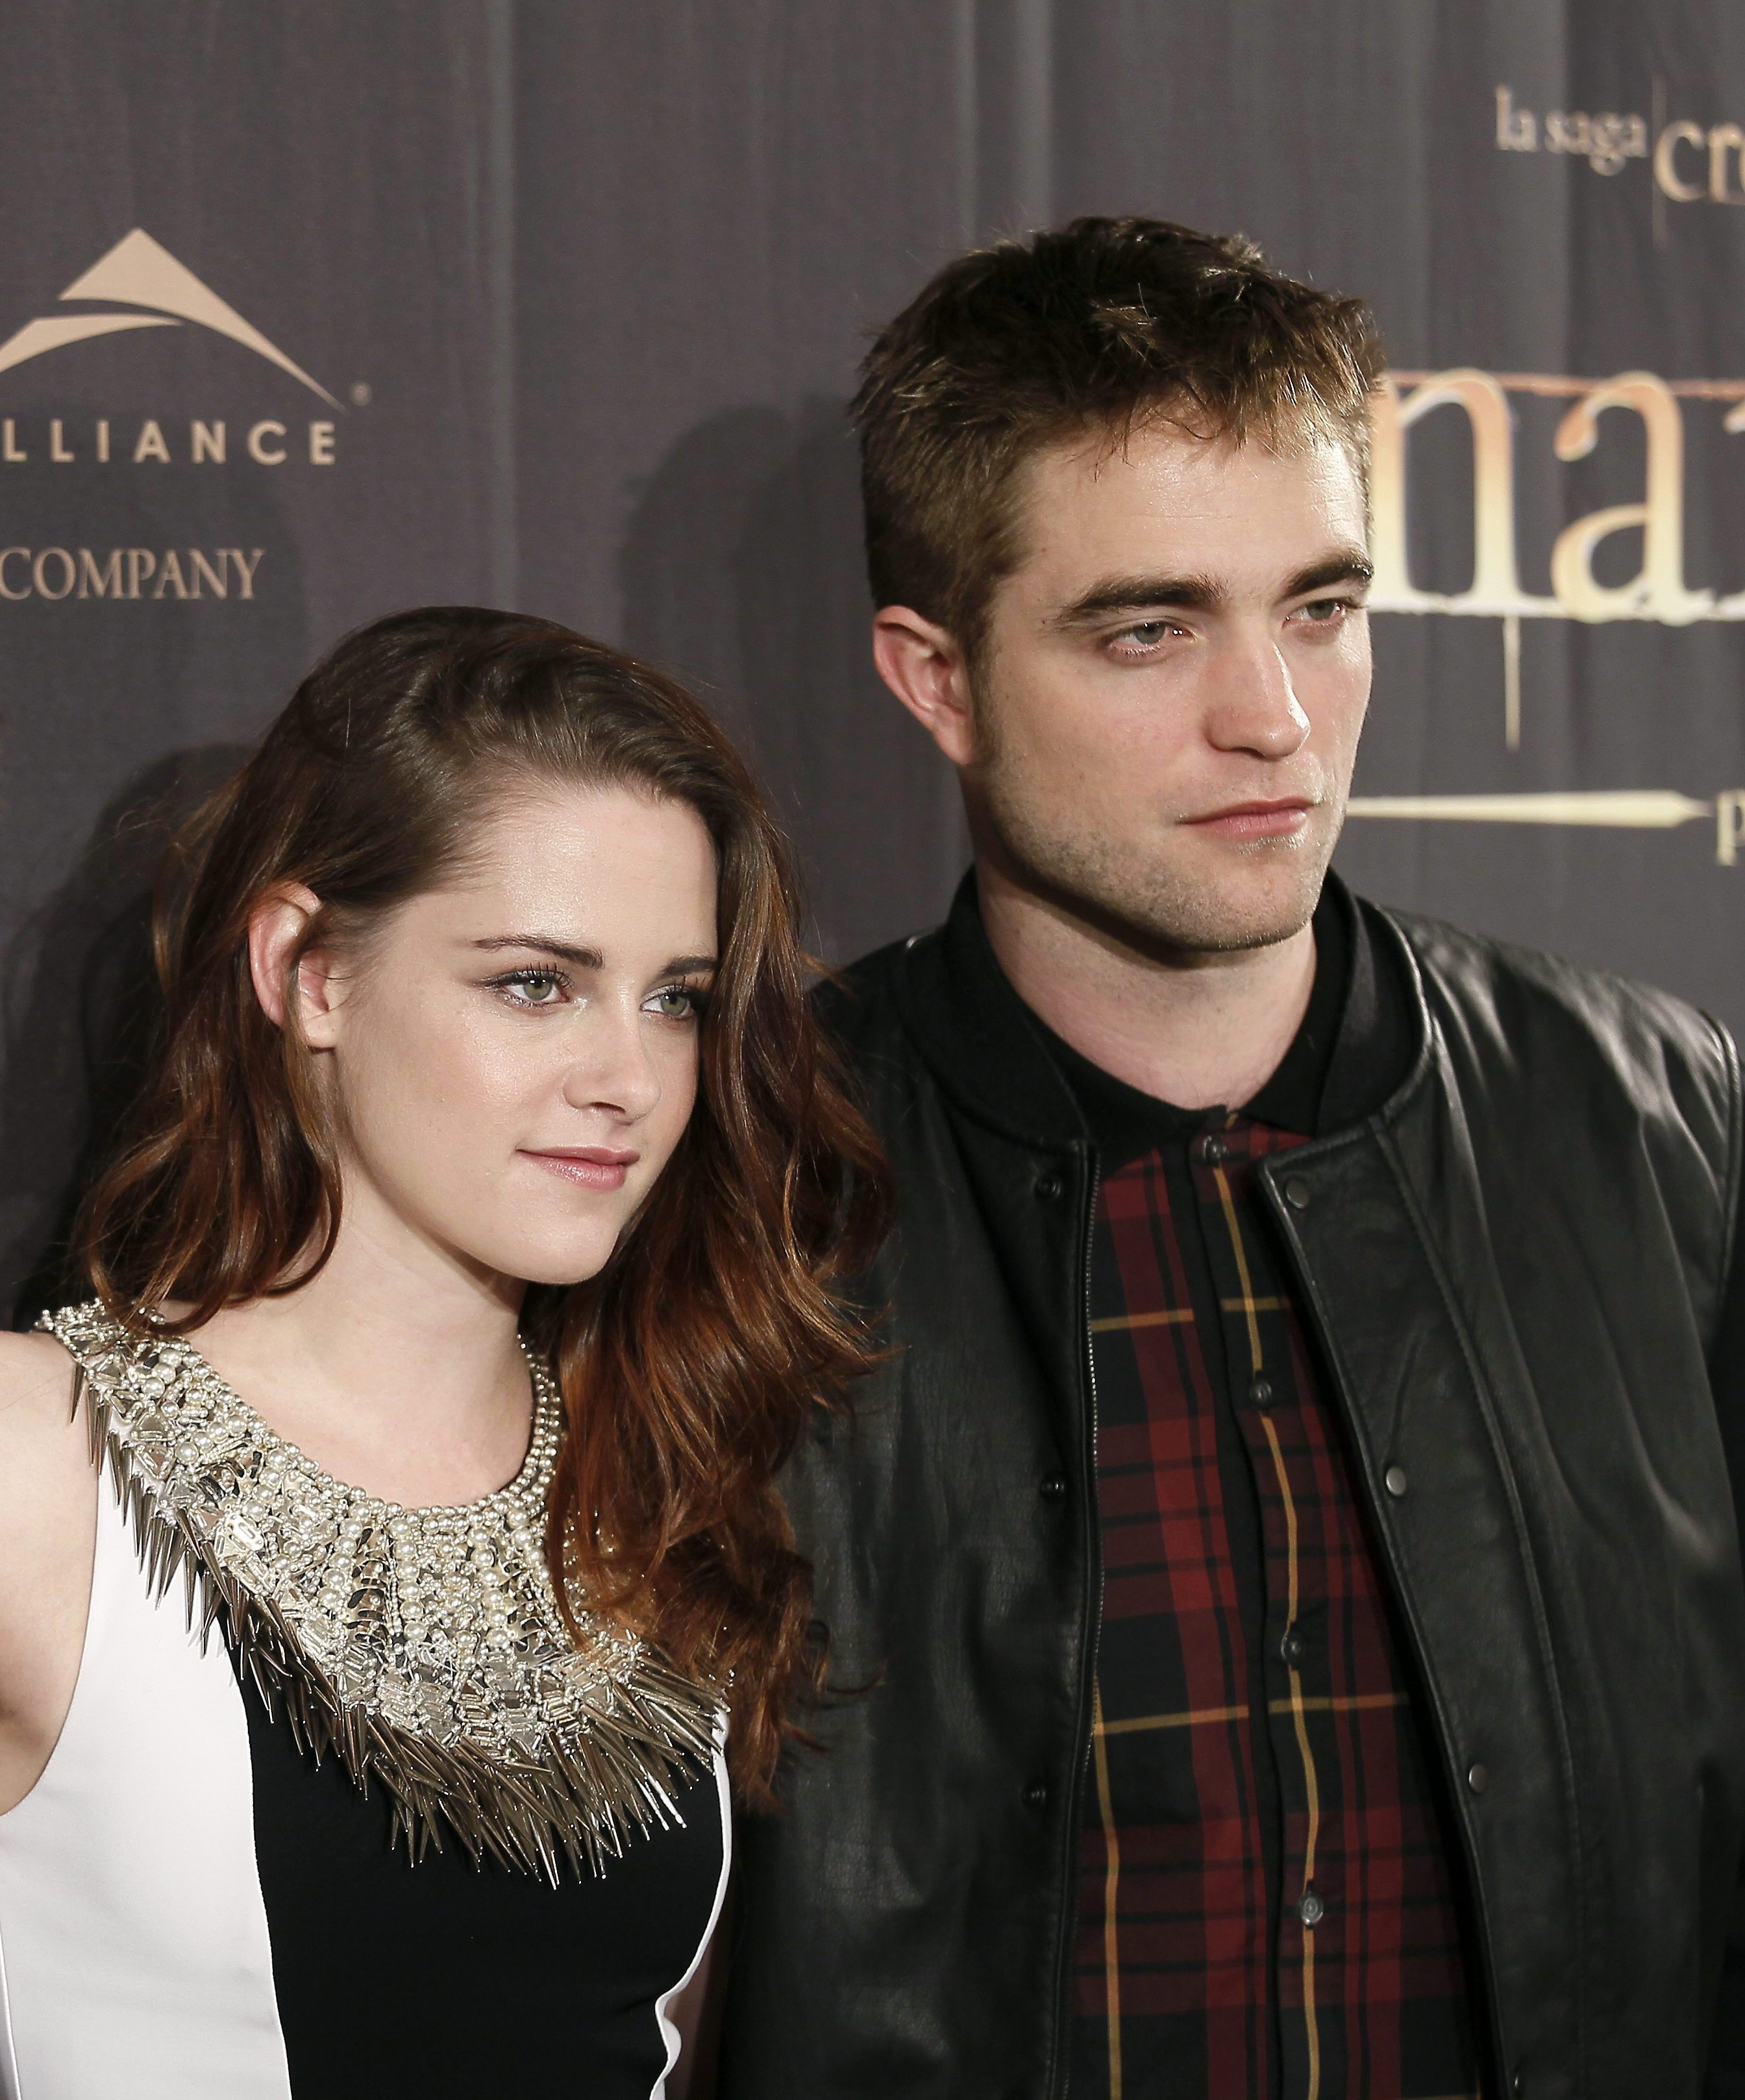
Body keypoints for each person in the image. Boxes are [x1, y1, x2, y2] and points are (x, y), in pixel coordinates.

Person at [715, 219, 1745, 2100]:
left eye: (1322, 608)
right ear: (937, 679)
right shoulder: (735, 1183)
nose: (1271, 718)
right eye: (1151, 629)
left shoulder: (1662, 1124)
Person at [0, 606, 886, 2100]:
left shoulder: (660, 1489)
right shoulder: (35, 1472)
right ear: (309, 971)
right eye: (536, 982)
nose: (629, 1079)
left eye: (674, 998)